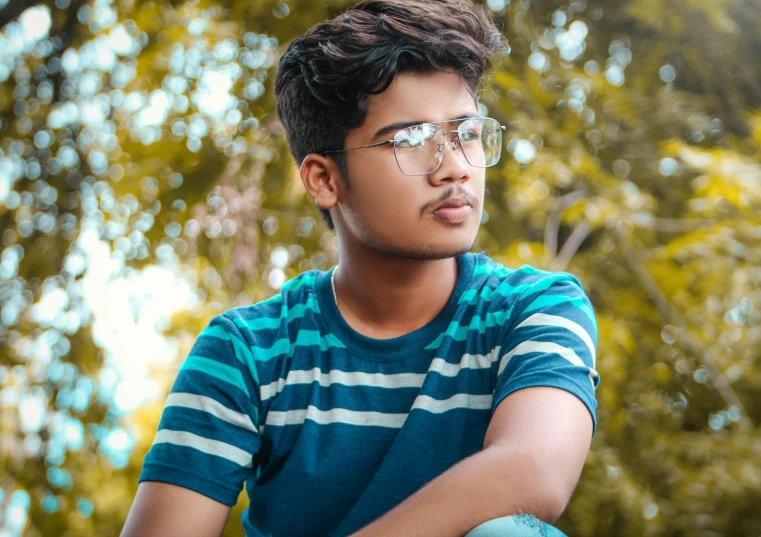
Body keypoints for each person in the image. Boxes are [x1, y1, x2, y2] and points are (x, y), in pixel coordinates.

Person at [120, 1, 600, 536]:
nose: (457, 169)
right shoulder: (249, 353)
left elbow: (535, 472)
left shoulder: (533, 309)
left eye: (465, 132)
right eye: (411, 141)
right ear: (325, 180)